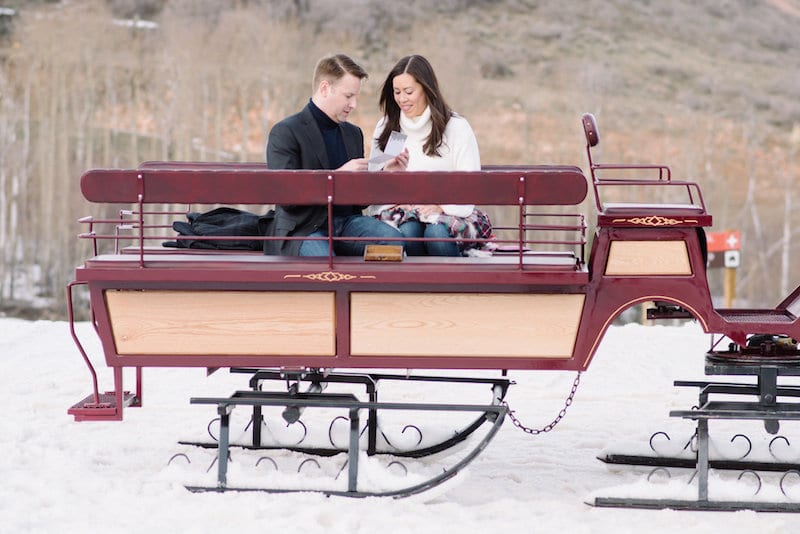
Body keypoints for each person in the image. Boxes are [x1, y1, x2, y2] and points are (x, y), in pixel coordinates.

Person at [265, 53, 405, 256]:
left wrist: (384, 174)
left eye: (356, 97)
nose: (354, 104)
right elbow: (287, 198)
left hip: (347, 224)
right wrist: (336, 176)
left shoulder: (353, 133)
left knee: (394, 242)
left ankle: (365, 287)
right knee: (325, 263)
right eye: (348, 96)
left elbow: (361, 202)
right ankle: (350, 284)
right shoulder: (285, 131)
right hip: (302, 229)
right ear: (324, 88)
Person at [367, 54, 493, 256]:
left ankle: (453, 286)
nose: (401, 99)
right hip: (404, 213)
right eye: (397, 92)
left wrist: (440, 206)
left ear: (426, 89)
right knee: (409, 231)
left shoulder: (455, 127)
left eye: (408, 92)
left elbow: (470, 184)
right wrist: (389, 173)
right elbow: (372, 182)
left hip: (447, 213)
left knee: (436, 234)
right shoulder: (391, 128)